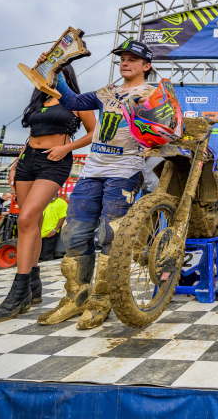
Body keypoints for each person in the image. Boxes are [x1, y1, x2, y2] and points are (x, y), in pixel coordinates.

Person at [34, 39, 154, 329]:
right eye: (122, 58)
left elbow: (166, 128)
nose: (125, 63)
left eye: (132, 60)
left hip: (125, 169)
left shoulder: (154, 94)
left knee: (112, 236)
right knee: (75, 233)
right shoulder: (106, 91)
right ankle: (76, 297)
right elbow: (73, 102)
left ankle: (103, 300)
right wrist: (56, 68)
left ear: (146, 66)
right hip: (92, 170)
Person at [0, 64, 95, 322]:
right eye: (48, 73)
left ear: (66, 76)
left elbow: (95, 132)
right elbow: (31, 136)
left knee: (26, 219)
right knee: (29, 222)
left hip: (54, 160)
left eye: (56, 73)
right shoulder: (40, 101)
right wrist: (16, 162)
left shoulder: (76, 101)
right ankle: (33, 285)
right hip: (28, 161)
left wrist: (67, 149)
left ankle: (19, 289)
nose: (51, 78)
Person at [40, 195, 67, 262]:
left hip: (50, 232)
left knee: (47, 256)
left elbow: (62, 218)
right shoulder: (44, 202)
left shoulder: (62, 203)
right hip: (40, 233)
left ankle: (47, 270)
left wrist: (55, 230)